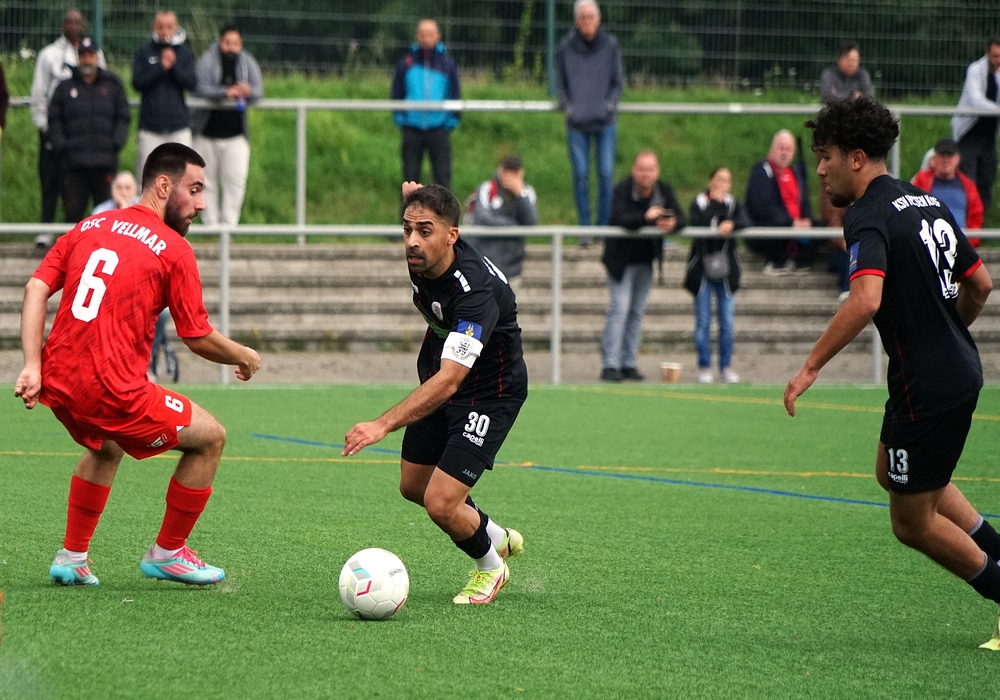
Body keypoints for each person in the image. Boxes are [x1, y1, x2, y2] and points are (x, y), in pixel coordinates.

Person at [784, 97, 1000, 649]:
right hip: (954, 370)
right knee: (893, 471)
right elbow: (979, 285)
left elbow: (865, 299)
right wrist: (945, 333)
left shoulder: (867, 213)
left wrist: (810, 367)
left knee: (911, 522)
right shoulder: (926, 200)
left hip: (927, 382)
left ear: (857, 158)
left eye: (827, 156)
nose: (821, 169)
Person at [15, 143, 261, 587]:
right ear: (164, 186)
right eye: (195, 189)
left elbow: (36, 288)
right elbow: (196, 336)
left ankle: (71, 557)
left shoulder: (89, 225)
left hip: (58, 380)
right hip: (113, 389)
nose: (202, 204)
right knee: (210, 438)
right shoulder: (174, 249)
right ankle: (168, 553)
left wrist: (32, 365)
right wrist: (242, 354)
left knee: (106, 444)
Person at [342, 183, 527, 606]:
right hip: (441, 379)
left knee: (441, 503)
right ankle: (494, 534)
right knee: (413, 485)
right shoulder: (423, 257)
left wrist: (382, 424)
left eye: (424, 231)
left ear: (452, 236)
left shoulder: (475, 291)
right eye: (407, 229)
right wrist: (417, 196)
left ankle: (490, 567)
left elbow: (450, 380)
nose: (412, 241)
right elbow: (443, 378)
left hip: (488, 393)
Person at [600, 151, 684, 382]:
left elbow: (681, 217)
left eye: (650, 170)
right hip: (620, 261)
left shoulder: (663, 190)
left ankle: (628, 363)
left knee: (636, 312)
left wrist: (672, 223)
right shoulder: (622, 189)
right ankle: (610, 364)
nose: (646, 174)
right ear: (634, 170)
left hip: (645, 261)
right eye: (641, 169)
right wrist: (647, 217)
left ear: (657, 171)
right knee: (619, 309)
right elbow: (620, 218)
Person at [30, 9, 106, 247]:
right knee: (50, 181)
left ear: (83, 26)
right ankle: (45, 231)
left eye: (77, 22)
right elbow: (38, 94)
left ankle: (77, 235)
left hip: (80, 135)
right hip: (53, 130)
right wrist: (45, 128)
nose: (73, 26)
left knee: (75, 187)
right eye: (69, 22)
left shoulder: (94, 53)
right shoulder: (48, 55)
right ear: (63, 25)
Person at [556, 0, 624, 243]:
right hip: (577, 123)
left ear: (598, 19)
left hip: (605, 122)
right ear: (577, 20)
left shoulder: (610, 45)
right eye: (583, 16)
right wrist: (567, 106)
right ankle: (585, 230)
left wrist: (610, 104)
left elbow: (618, 82)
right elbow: (559, 83)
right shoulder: (566, 47)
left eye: (591, 16)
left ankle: (603, 229)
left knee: (606, 174)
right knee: (581, 175)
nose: (587, 20)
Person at [48, 38, 130, 225]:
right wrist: (62, 146)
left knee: (107, 217)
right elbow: (54, 119)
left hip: (105, 163)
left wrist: (117, 142)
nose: (87, 60)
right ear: (78, 58)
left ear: (97, 57)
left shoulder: (113, 85)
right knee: (73, 215)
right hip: (73, 164)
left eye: (90, 55)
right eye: (83, 56)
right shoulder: (64, 87)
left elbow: (123, 116)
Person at [192, 25, 263, 227]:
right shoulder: (207, 61)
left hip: (236, 135)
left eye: (236, 43)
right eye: (227, 43)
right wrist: (225, 93)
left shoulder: (247, 62)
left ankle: (229, 227)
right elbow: (200, 88)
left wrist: (247, 91)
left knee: (235, 182)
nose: (231, 47)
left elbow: (259, 91)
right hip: (206, 134)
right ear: (220, 42)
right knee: (206, 182)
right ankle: (211, 226)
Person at [685, 168, 750, 384]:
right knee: (703, 321)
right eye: (719, 179)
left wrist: (732, 223)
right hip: (702, 268)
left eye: (727, 180)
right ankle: (704, 367)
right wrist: (715, 204)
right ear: (710, 181)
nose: (722, 184)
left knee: (727, 322)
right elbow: (698, 223)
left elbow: (745, 220)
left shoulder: (734, 204)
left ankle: (726, 367)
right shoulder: (699, 203)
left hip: (726, 270)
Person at [391, 19, 460, 191]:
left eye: (429, 34)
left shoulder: (447, 64)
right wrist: (401, 119)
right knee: (410, 179)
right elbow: (396, 93)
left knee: (443, 178)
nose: (426, 38)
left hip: (438, 128)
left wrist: (450, 122)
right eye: (422, 34)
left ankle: (443, 210)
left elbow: (455, 93)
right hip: (411, 128)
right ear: (417, 36)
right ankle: (408, 210)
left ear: (437, 36)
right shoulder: (406, 63)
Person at [132, 11, 197, 180]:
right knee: (148, 179)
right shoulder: (144, 52)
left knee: (181, 179)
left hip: (178, 128)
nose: (165, 31)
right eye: (160, 27)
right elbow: (137, 83)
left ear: (176, 28)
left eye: (169, 27)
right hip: (150, 129)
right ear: (154, 27)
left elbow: (191, 83)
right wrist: (160, 67)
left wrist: (173, 66)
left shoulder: (184, 53)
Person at [745, 130, 820, 275]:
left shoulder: (795, 173)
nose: (784, 153)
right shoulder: (762, 171)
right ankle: (775, 261)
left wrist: (807, 220)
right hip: (769, 228)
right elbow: (763, 208)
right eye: (781, 148)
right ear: (772, 149)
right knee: (778, 224)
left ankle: (800, 260)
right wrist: (791, 222)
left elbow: (804, 203)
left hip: (795, 226)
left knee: (822, 227)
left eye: (788, 149)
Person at [462, 154, 538, 288]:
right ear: (500, 170)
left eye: (514, 172)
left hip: (512, 268)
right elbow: (482, 218)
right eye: (507, 170)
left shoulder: (527, 192)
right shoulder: (487, 188)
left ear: (521, 173)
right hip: (482, 266)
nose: (510, 176)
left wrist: (520, 195)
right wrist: (514, 226)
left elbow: (531, 222)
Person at [952, 38, 1000, 214]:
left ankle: (980, 223)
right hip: (969, 135)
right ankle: (964, 221)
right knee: (967, 180)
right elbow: (976, 101)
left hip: (989, 137)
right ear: (987, 54)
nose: (998, 60)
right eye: (995, 56)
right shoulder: (975, 70)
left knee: (986, 180)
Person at [911, 138, 984, 247]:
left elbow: (976, 216)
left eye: (950, 155)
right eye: (942, 155)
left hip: (961, 246)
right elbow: (912, 213)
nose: (945, 160)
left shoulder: (968, 185)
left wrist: (969, 245)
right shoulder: (920, 182)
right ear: (934, 158)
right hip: (928, 246)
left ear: (957, 159)